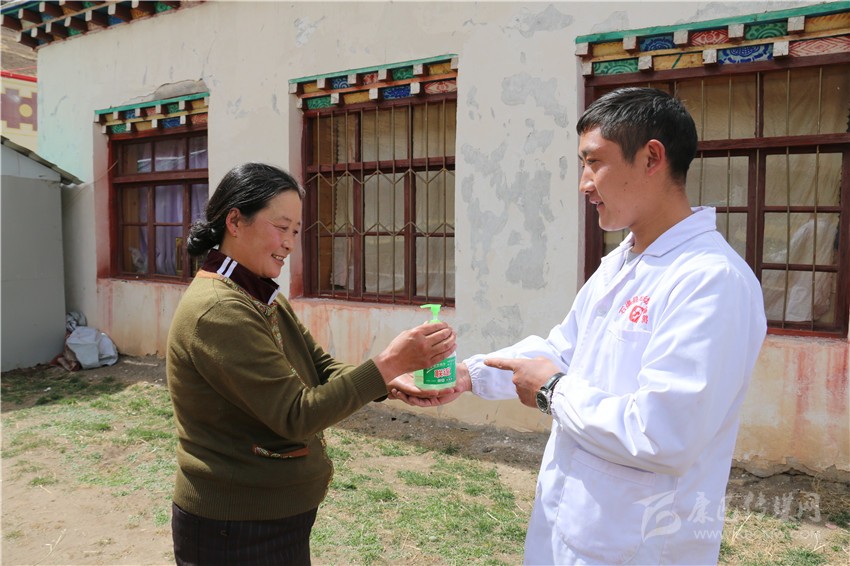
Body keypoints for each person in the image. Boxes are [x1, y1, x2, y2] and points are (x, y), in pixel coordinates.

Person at [391, 87, 767, 565]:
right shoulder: (622, 264)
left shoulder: (711, 280)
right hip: (571, 525)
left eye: (594, 163)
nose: (584, 184)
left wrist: (552, 392)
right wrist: (468, 375)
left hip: (643, 545)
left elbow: (665, 434)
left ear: (651, 157)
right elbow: (564, 349)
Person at [166, 162, 455, 565]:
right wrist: (387, 364)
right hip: (236, 527)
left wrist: (390, 380)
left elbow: (320, 368)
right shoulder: (219, 310)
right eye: (281, 228)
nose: (289, 243)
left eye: (296, 232)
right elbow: (296, 414)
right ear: (235, 221)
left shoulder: (257, 294)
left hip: (269, 516)